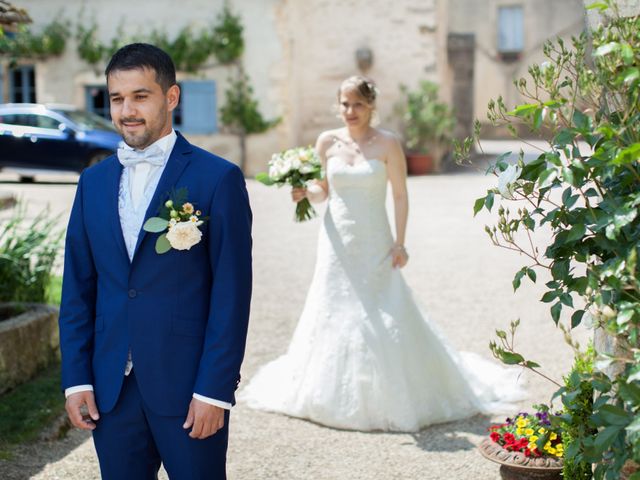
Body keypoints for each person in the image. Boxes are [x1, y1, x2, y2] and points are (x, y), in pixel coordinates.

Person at [240, 76, 521, 432]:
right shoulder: (326, 141)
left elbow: (401, 195)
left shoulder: (388, 144)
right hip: (336, 241)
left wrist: (400, 242)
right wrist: (304, 192)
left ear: (371, 106)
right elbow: (322, 190)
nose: (350, 111)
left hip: (375, 238)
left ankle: (392, 390)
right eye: (344, 104)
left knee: (383, 307)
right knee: (334, 305)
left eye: (357, 104)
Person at [58, 43, 252, 479]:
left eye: (140, 96)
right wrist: (77, 379)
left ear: (171, 97)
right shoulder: (92, 182)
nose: (126, 110)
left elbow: (232, 295)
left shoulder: (217, 179)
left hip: (188, 389)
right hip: (111, 391)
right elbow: (78, 289)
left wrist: (214, 391)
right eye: (116, 98)